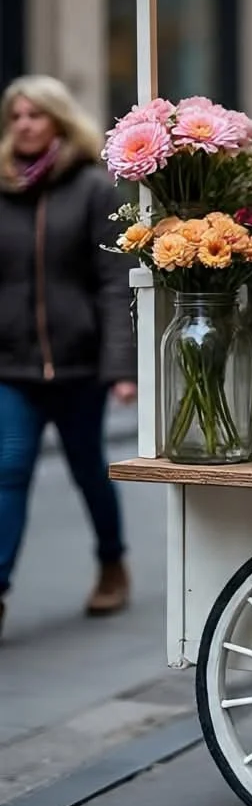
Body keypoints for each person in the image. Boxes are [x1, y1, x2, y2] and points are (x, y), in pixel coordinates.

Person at [0, 76, 136, 637]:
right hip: (12, 365)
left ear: (58, 120)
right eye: (16, 116)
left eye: (36, 115)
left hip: (78, 364)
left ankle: (112, 561)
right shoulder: (1, 186)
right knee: (8, 469)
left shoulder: (93, 188)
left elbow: (114, 281)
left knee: (88, 472)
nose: (25, 125)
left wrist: (121, 367)